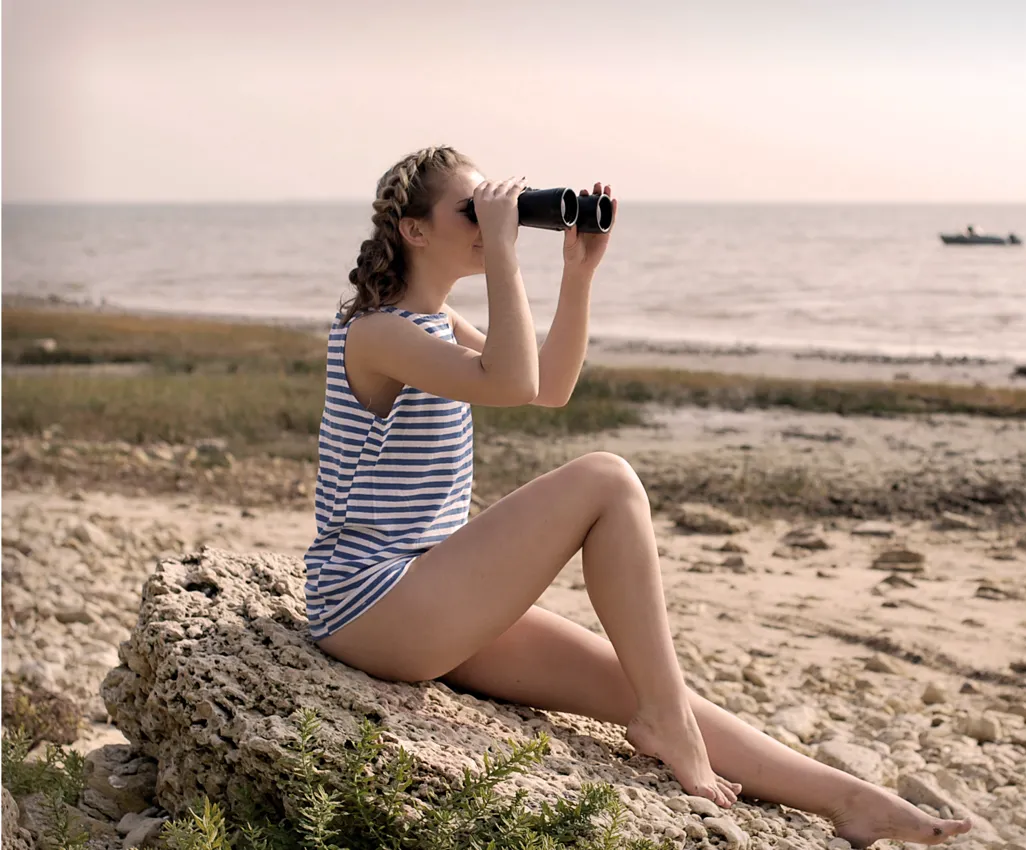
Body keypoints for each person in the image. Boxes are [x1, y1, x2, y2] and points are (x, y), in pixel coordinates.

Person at [304, 144, 973, 847]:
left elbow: (549, 388)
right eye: (472, 210)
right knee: (607, 478)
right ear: (413, 230)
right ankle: (668, 727)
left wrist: (578, 273)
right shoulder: (376, 332)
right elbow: (509, 383)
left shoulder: (436, 325)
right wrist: (505, 254)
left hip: (429, 598)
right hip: (370, 604)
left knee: (645, 684)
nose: (492, 220)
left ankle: (850, 800)